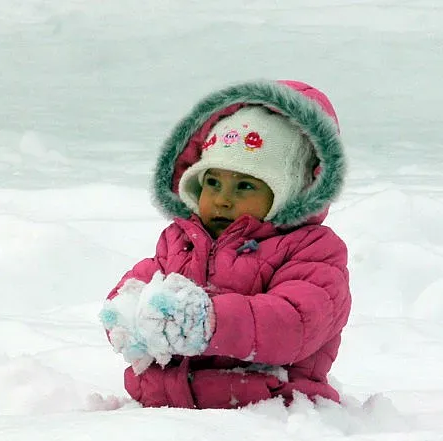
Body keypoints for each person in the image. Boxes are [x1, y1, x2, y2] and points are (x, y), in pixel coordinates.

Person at [100, 79, 350, 409]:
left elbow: (295, 322)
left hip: (268, 410)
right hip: (166, 407)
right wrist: (128, 315)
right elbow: (140, 283)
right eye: (212, 182)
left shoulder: (312, 250)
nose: (222, 199)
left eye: (245, 186)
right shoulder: (183, 242)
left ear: (290, 192)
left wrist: (208, 321)